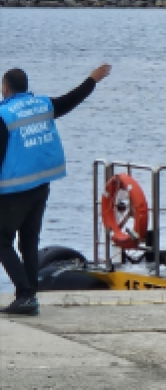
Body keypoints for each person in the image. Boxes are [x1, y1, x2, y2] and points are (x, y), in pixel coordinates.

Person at [0, 64, 110, 316]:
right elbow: (71, 100)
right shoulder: (43, 105)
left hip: (14, 190)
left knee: (2, 240)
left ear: (5, 87)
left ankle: (25, 295)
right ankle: (29, 296)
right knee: (29, 241)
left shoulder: (4, 115)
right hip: (40, 186)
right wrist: (92, 80)